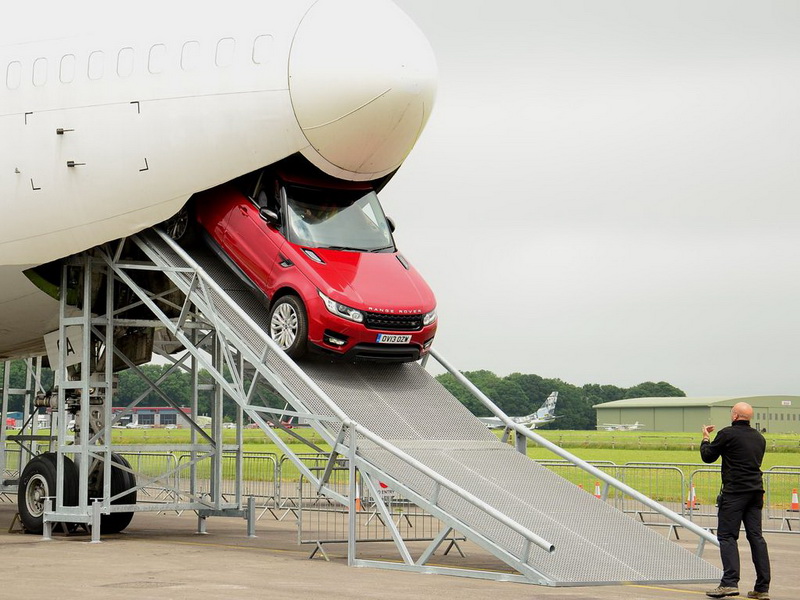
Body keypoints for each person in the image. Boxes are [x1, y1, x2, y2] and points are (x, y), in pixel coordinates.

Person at [700, 402, 771, 599]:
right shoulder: (759, 438)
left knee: (727, 536)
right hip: (756, 491)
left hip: (734, 492)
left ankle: (729, 582)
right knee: (756, 537)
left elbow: (708, 457)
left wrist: (705, 438)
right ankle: (762, 587)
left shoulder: (727, 434)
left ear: (735, 416)